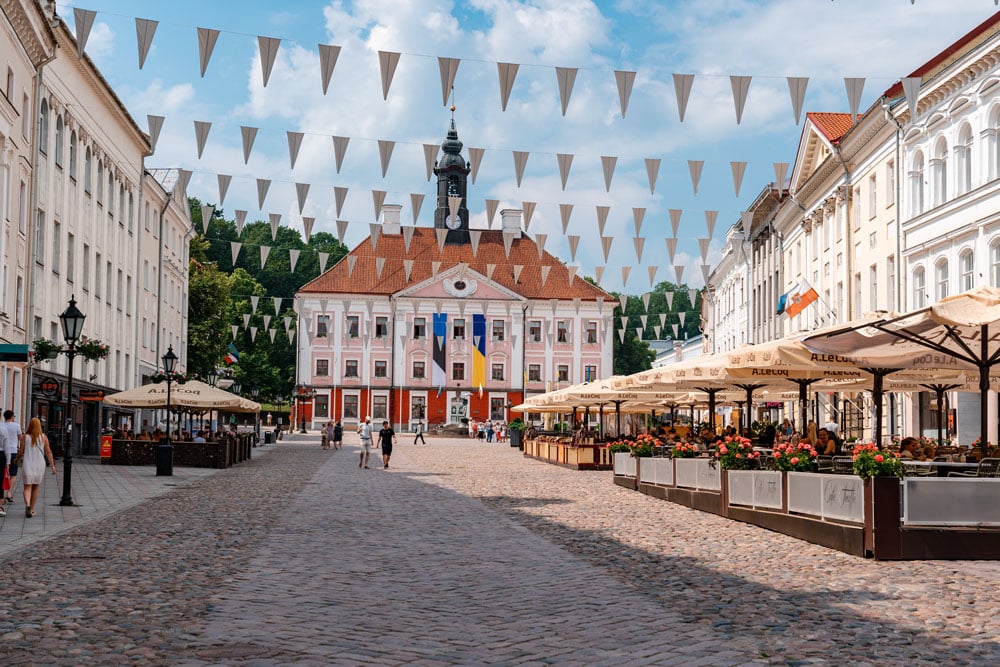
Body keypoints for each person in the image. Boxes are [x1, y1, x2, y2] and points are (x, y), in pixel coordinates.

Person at [16, 418, 56, 518]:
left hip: (28, 463)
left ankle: (28, 505)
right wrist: (52, 465)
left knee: (27, 486)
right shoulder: (43, 437)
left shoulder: (25, 437)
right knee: (36, 486)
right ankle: (32, 509)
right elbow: (48, 452)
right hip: (39, 464)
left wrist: (16, 459)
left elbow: (21, 452)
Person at [2, 410, 23, 506]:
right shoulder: (16, 426)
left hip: (2, 452)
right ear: (12, 417)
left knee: (2, 473)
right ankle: (9, 493)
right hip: (13, 451)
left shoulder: (2, 425)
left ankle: (1, 494)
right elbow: (20, 438)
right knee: (13, 474)